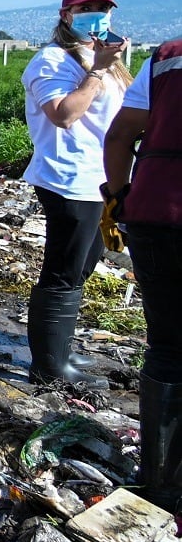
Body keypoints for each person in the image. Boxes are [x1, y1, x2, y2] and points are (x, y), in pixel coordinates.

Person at [21, 0, 130, 388]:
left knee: (84, 265)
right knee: (63, 269)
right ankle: (48, 365)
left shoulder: (111, 62)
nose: (97, 15)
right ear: (66, 15)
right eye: (87, 8)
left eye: (104, 7)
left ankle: (60, 347)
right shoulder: (52, 60)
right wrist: (96, 72)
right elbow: (64, 114)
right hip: (68, 178)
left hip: (103, 181)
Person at [103, 34, 182, 506]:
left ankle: (161, 484)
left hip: (156, 214)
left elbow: (120, 134)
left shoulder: (168, 57)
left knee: (169, 348)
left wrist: (118, 196)